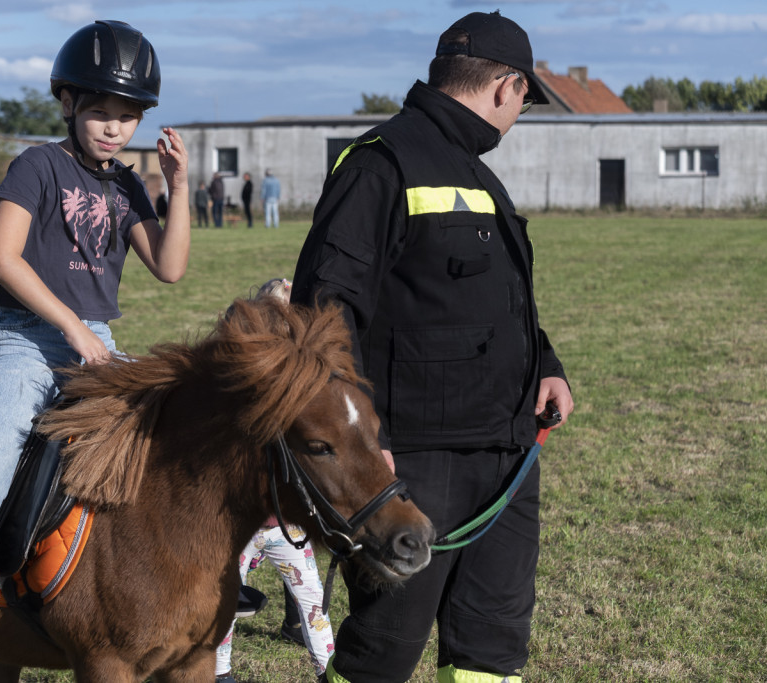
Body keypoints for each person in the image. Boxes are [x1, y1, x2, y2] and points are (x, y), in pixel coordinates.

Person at [290, 11, 573, 683]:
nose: (518, 113)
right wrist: (364, 437)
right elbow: (325, 309)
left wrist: (548, 365)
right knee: (383, 648)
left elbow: (488, 299)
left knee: (492, 646)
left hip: (505, 452)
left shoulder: (475, 173)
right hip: (414, 459)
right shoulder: (381, 164)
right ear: (506, 87)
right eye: (525, 100)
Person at [0, 20, 190, 683]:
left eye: (127, 116)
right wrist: (73, 328)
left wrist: (176, 185)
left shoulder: (126, 186)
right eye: (100, 111)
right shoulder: (37, 164)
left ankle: (162, 590)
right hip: (27, 337)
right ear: (68, 103)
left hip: (94, 340)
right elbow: (2, 258)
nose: (113, 127)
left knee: (169, 443)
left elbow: (171, 267)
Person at [215, 278, 335, 683]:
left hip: (286, 527)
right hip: (242, 526)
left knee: (313, 606)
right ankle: (220, 675)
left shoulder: (299, 395)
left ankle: (326, 671)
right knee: (222, 601)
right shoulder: (228, 399)